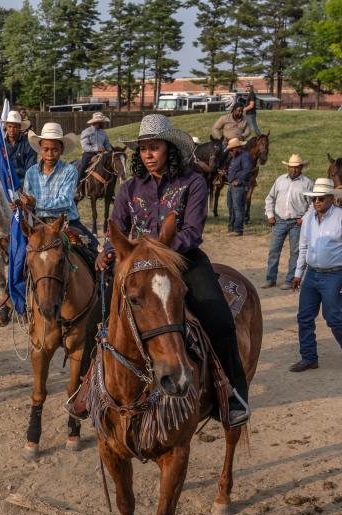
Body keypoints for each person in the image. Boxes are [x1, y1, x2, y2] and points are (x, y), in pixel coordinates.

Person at [71, 114, 250, 427]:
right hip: (136, 266)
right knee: (93, 322)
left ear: (169, 149)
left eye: (154, 147)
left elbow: (193, 231)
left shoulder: (192, 183)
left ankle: (232, 392)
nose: (147, 154)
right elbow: (118, 229)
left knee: (219, 319)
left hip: (183, 259)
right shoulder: (129, 189)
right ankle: (85, 388)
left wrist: (156, 252)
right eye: (143, 149)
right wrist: (108, 252)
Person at [290, 178, 342, 373]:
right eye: (314, 199)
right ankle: (309, 358)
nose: (316, 202)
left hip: (335, 275)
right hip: (311, 274)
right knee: (304, 317)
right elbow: (303, 247)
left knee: (332, 317)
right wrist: (298, 273)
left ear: (331, 198)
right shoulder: (308, 219)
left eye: (321, 198)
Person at [21, 122, 97, 252]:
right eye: (46, 149)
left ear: (61, 150)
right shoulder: (31, 172)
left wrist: (36, 202)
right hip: (40, 223)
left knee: (94, 248)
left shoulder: (70, 171)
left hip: (67, 223)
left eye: (54, 149)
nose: (50, 154)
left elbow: (66, 201)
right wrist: (21, 203)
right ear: (40, 150)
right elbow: (28, 202)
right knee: (22, 256)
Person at [263, 154, 314, 289]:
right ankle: (270, 279)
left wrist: (304, 219)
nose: (293, 170)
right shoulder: (280, 180)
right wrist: (270, 215)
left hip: (296, 223)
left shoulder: (308, 183)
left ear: (301, 167)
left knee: (295, 253)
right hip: (279, 221)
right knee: (274, 250)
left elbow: (313, 205)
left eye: (296, 167)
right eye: (291, 167)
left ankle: (290, 280)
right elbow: (270, 198)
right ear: (288, 167)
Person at [76, 112, 113, 194]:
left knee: (111, 166)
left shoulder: (103, 133)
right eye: (102, 122)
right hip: (88, 154)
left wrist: (111, 151)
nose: (104, 124)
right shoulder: (86, 132)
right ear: (96, 122)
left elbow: (107, 144)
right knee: (82, 166)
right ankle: (77, 186)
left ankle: (111, 191)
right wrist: (97, 149)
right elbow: (84, 146)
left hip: (102, 154)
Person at [224, 138, 252, 237]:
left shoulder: (245, 156)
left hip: (239, 186)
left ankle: (238, 229)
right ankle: (231, 227)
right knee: (231, 207)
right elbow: (235, 172)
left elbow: (248, 170)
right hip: (232, 186)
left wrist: (239, 181)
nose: (230, 152)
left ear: (237, 148)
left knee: (238, 208)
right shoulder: (234, 157)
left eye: (231, 150)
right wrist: (226, 174)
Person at [3, 111, 36, 184]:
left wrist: (16, 172)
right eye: (10, 126)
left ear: (20, 127)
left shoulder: (28, 144)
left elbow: (31, 170)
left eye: (15, 127)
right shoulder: (2, 145)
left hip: (24, 182)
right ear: (6, 127)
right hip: (5, 182)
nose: (12, 130)